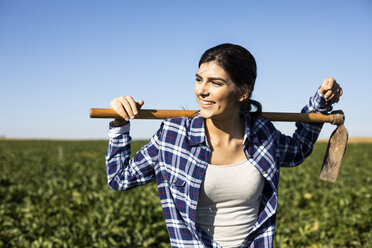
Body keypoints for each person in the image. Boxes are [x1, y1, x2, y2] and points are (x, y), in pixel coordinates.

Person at [105, 43, 342, 248]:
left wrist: (320, 103)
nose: (202, 90)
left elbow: (298, 150)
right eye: (199, 80)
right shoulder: (174, 135)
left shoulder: (262, 133)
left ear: (243, 92)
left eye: (215, 82)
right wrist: (119, 124)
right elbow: (120, 178)